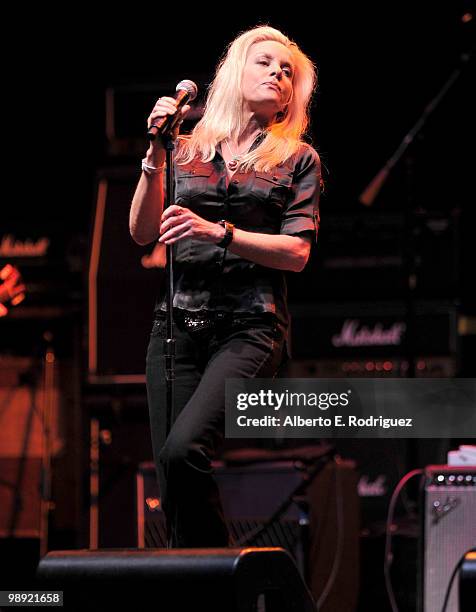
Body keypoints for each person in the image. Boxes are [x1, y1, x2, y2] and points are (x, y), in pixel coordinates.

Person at [130, 25, 321, 548]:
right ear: (237, 71)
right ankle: (202, 585)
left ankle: (222, 581)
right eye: (265, 63)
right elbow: (142, 232)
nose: (277, 75)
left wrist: (221, 233)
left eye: (287, 72)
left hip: (249, 326)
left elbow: (298, 254)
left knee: (183, 450)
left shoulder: (296, 159)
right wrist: (154, 151)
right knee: (173, 483)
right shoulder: (183, 150)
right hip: (175, 327)